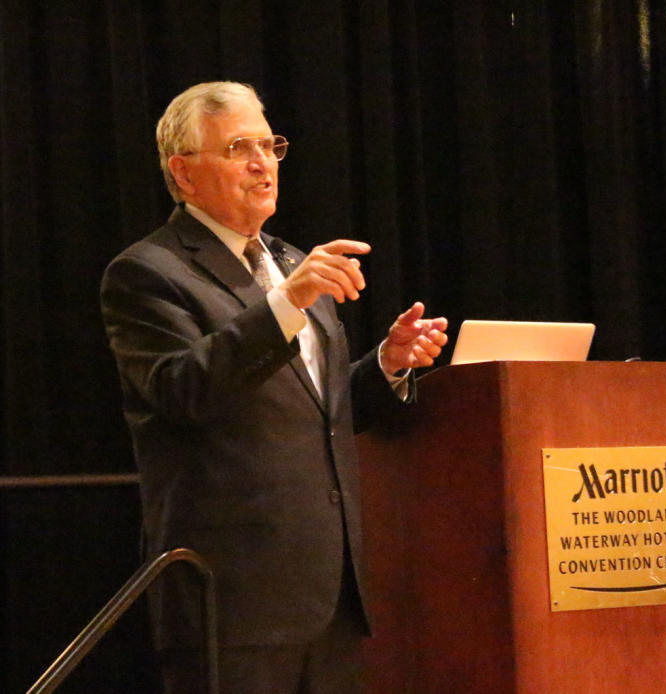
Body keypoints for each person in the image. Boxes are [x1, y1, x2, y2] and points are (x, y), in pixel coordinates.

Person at [100, 81, 448, 694]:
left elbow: (317, 413)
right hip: (233, 603)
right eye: (239, 147)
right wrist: (287, 302)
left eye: (269, 145)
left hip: (331, 595)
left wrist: (387, 366)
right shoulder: (148, 273)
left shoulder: (289, 262)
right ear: (183, 173)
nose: (263, 163)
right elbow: (184, 390)